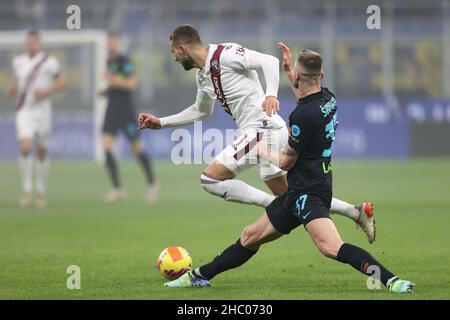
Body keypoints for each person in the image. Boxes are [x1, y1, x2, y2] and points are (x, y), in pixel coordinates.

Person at [164, 48, 414, 293]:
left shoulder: (302, 117)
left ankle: (392, 280)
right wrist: (286, 70)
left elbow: (284, 163)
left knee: (330, 247)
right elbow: (306, 101)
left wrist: (263, 151)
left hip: (309, 192)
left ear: (297, 77)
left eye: (293, 74)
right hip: (300, 189)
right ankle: (198, 277)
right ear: (321, 76)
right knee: (250, 237)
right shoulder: (328, 99)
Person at [138, 25, 375, 242]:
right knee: (292, 197)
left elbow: (269, 62)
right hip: (267, 130)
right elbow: (201, 111)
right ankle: (355, 211)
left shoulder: (226, 53)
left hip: (261, 130)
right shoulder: (203, 75)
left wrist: (271, 94)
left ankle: (275, 207)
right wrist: (161, 122)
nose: (174, 57)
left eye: (174, 52)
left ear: (183, 48)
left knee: (210, 180)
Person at [5, 30, 66, 208]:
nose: (30, 45)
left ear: (39, 43)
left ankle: (40, 191)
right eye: (28, 42)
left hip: (43, 111)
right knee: (25, 147)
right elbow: (21, 82)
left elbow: (62, 83)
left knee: (41, 151)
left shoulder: (49, 62)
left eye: (33, 42)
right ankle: (26, 191)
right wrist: (12, 88)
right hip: (24, 109)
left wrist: (45, 92)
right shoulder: (18, 62)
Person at [101, 33, 158, 203]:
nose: (110, 44)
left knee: (136, 148)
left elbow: (131, 84)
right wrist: (107, 90)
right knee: (106, 146)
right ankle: (117, 189)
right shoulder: (108, 62)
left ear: (117, 43)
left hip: (125, 111)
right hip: (111, 110)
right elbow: (115, 85)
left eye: (112, 41)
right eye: (108, 41)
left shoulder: (123, 60)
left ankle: (152, 184)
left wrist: (112, 81)